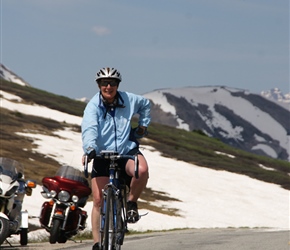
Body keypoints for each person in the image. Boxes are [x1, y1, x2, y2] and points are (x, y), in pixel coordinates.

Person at [81, 67, 151, 250]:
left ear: (117, 85)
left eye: (112, 83)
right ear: (99, 85)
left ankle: (131, 203)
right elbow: (89, 129)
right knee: (98, 201)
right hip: (102, 154)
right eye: (104, 83)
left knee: (142, 170)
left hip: (126, 151)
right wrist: (90, 149)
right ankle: (97, 243)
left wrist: (143, 126)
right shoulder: (93, 106)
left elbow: (146, 104)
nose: (108, 86)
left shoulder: (129, 99)